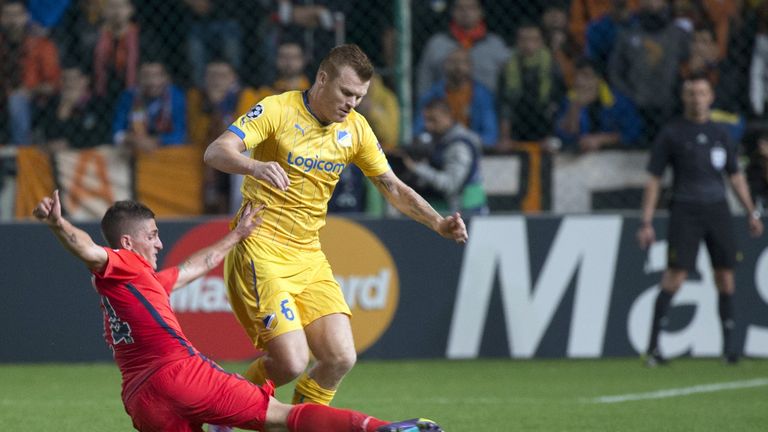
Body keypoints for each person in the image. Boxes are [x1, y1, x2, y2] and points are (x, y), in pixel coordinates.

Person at [32, 189, 444, 432]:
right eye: (153, 236)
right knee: (280, 416)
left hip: (141, 400)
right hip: (180, 374)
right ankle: (382, 429)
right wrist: (57, 225)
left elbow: (196, 266)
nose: (158, 244)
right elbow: (87, 250)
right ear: (127, 243)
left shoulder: (140, 284)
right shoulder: (122, 264)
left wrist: (238, 234)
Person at [203, 44, 468, 406]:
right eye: (346, 93)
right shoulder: (277, 109)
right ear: (322, 79)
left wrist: (437, 222)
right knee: (291, 361)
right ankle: (222, 411)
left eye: (359, 96)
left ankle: (302, 424)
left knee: (340, 357)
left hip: (308, 255)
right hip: (261, 245)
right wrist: (255, 166)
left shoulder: (356, 129)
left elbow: (391, 186)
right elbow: (216, 151)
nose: (352, 103)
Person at [636, 73, 764, 367]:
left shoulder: (721, 134)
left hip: (717, 209)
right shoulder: (672, 133)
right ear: (684, 98)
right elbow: (654, 179)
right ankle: (653, 347)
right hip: (685, 209)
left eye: (702, 93)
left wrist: (750, 211)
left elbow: (735, 175)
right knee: (676, 276)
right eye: (691, 93)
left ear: (711, 97)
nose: (697, 99)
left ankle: (729, 349)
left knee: (725, 277)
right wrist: (646, 221)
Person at [399, 97, 488, 215]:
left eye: (433, 120)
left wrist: (416, 168)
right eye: (426, 120)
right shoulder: (439, 140)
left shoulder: (459, 145)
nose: (428, 125)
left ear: (447, 117)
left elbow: (450, 185)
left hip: (468, 212)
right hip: (452, 211)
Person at [416, 0, 510, 97]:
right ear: (452, 12)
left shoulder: (495, 45)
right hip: (443, 108)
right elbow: (425, 80)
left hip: (487, 108)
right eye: (460, 8)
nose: (465, 12)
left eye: (471, 8)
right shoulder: (437, 43)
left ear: (481, 12)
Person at [0, 0, 61, 145]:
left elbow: (54, 84)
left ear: (26, 16)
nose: (13, 20)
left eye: (17, 15)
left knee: (16, 100)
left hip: (34, 102)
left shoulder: (42, 45)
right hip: (3, 97)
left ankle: (21, 151)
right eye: (8, 15)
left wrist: (29, 91)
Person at [414, 48, 498, 149]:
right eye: (453, 62)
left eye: (463, 62)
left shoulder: (483, 96)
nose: (458, 67)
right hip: (437, 147)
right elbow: (418, 129)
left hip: (472, 147)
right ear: (444, 65)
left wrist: (467, 142)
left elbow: (490, 135)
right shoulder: (431, 95)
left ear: (471, 66)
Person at [554, 58, 641, 152]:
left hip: (615, 153)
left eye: (586, 76)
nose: (579, 81)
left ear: (599, 80)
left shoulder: (617, 101)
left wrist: (602, 139)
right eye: (576, 75)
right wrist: (575, 108)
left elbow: (634, 132)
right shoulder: (570, 99)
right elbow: (564, 136)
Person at [112, 60, 187, 152]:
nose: (152, 82)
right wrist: (133, 139)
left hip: (167, 150)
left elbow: (179, 135)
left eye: (157, 76)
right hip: (134, 148)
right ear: (138, 77)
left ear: (167, 78)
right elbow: (117, 133)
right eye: (146, 76)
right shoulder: (129, 96)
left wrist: (155, 141)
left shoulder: (176, 96)